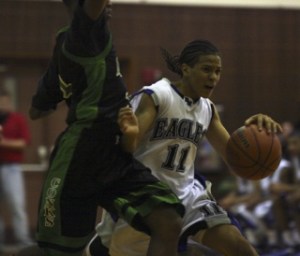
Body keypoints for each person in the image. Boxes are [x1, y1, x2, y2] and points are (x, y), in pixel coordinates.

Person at [86, 40, 282, 256]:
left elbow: (236, 159)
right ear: (185, 69)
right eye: (207, 70)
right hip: (147, 196)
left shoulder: (208, 109)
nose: (213, 77)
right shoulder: (157, 96)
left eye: (218, 72)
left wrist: (256, 131)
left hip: (188, 192)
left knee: (240, 248)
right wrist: (130, 134)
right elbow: (125, 150)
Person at [21, 0, 185, 255]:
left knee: (168, 219)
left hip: (113, 153)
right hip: (80, 155)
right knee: (58, 251)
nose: (109, 3)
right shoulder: (85, 32)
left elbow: (37, 110)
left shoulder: (66, 44)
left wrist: (75, 86)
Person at [0, 88, 32, 252]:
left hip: (11, 167)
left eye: (5, 102)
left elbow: (24, 142)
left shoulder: (17, 119)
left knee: (17, 205)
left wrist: (3, 142)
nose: (3, 105)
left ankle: (23, 242)